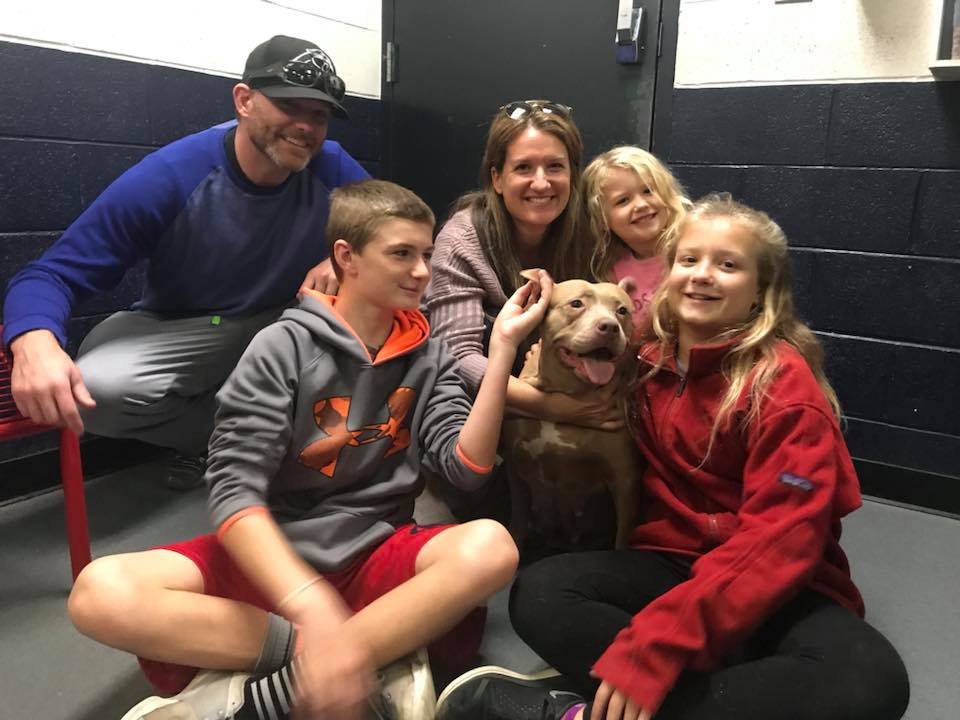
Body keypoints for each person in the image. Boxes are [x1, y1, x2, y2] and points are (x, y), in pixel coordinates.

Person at [67, 179, 553, 720]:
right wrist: (309, 606)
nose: (422, 271)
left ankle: (269, 693)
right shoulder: (282, 347)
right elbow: (234, 494)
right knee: (99, 592)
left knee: (490, 546)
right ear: (347, 258)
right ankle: (356, 658)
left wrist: (503, 347)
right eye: (402, 254)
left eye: (427, 255)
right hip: (275, 557)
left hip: (373, 549)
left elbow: (465, 469)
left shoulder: (430, 354)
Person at [435, 195, 910, 720]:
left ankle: (577, 710)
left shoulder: (785, 389)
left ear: (761, 291)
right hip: (672, 563)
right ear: (668, 274)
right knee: (541, 592)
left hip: (775, 581)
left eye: (727, 264)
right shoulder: (643, 363)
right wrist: (529, 363)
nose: (703, 275)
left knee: (872, 679)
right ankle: (717, 688)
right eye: (688, 260)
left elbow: (784, 542)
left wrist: (657, 646)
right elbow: (574, 398)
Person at [2, 35, 369, 488]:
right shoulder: (173, 175)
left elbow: (396, 230)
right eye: (289, 106)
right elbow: (51, 274)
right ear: (244, 100)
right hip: (194, 326)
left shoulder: (330, 166)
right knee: (95, 390)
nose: (306, 127)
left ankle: (289, 447)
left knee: (382, 304)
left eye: (319, 115)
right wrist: (33, 342)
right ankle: (237, 441)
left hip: (282, 321)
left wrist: (340, 259)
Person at [423, 100, 621, 431]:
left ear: (573, 174)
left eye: (555, 167)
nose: (541, 183)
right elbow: (456, 358)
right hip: (474, 411)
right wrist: (555, 408)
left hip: (571, 394)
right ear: (497, 178)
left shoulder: (593, 232)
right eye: (523, 168)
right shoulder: (463, 239)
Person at [582, 146, 689, 336]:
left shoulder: (691, 252)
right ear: (603, 220)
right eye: (622, 201)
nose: (640, 205)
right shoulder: (613, 271)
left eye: (648, 191)